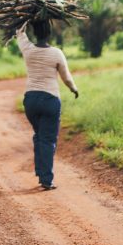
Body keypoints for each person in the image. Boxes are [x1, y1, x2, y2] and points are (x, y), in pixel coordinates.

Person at [16, 19, 79, 190]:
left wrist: (25, 21)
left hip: (31, 101)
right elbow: (66, 77)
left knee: (39, 136)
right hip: (50, 100)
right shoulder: (56, 53)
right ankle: (46, 179)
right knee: (47, 139)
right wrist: (74, 89)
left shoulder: (28, 49)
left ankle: (40, 172)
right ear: (49, 33)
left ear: (35, 33)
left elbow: (19, 34)